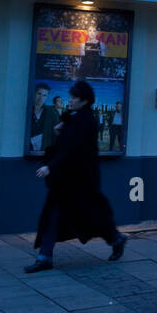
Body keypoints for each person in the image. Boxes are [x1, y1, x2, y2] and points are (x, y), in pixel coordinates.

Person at [26, 81, 127, 273]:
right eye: (71, 97)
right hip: (65, 179)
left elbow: (72, 149)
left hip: (81, 180)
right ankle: (45, 256)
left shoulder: (85, 121)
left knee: (93, 216)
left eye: (74, 98)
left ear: (84, 101)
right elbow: (63, 141)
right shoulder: (74, 117)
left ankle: (116, 238)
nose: (70, 100)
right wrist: (60, 129)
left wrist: (50, 166)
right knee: (52, 215)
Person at [30, 84, 60, 152]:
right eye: (39, 94)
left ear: (47, 97)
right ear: (34, 93)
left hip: (45, 152)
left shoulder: (51, 112)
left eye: (44, 95)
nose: (41, 98)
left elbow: (56, 133)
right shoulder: (27, 111)